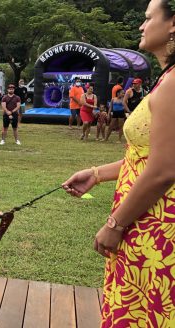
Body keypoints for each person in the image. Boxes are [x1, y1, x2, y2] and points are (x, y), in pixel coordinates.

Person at [63, 1, 175, 325]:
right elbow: (145, 156)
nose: (142, 26)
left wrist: (115, 224)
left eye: (148, 18)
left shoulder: (172, 85)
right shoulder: (165, 78)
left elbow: (165, 168)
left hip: (155, 224)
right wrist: (97, 174)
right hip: (145, 218)